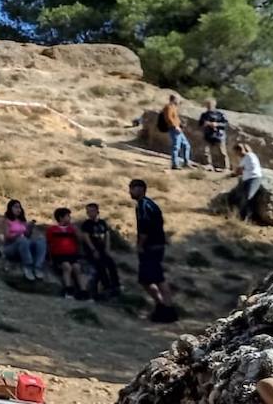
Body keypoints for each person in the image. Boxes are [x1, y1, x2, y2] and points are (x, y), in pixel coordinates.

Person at [129, 179, 177, 323]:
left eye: (132, 188)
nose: (130, 192)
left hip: (151, 247)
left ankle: (168, 309)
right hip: (156, 245)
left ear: (140, 189)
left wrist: (140, 245)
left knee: (158, 279)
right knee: (145, 279)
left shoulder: (144, 206)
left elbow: (145, 228)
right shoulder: (150, 204)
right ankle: (161, 305)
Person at [79, 202, 120, 299]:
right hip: (92, 250)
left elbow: (107, 235)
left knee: (111, 264)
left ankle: (116, 285)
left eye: (92, 211)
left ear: (97, 211)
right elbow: (86, 237)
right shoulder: (86, 224)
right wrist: (93, 250)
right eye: (88, 212)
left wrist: (107, 247)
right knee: (100, 266)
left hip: (102, 249)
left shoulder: (102, 223)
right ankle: (106, 287)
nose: (90, 213)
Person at [46, 208, 88, 300]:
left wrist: (76, 231)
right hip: (59, 255)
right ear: (61, 218)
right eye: (67, 216)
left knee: (77, 268)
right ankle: (68, 290)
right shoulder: (52, 229)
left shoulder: (72, 229)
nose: (69, 218)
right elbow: (49, 244)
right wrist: (50, 258)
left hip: (72, 255)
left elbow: (81, 240)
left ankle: (83, 292)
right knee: (67, 266)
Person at [1, 200, 47, 281]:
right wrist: (18, 235)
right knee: (22, 240)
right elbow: (7, 236)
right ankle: (27, 266)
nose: (18, 209)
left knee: (41, 240)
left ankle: (37, 267)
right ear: (10, 208)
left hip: (24, 246)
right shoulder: (7, 221)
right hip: (10, 247)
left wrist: (30, 227)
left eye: (20, 207)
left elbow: (27, 235)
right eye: (16, 207)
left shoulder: (22, 221)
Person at [229, 142, 263, 222]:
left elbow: (238, 171)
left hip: (254, 178)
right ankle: (242, 217)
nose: (237, 155)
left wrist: (233, 174)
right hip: (247, 179)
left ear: (239, 151)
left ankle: (247, 218)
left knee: (248, 197)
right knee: (242, 197)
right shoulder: (247, 157)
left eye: (236, 153)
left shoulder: (248, 156)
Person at [160, 95, 191, 170]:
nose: (178, 101)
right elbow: (169, 118)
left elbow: (175, 118)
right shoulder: (168, 107)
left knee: (186, 145)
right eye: (177, 99)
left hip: (178, 129)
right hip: (174, 129)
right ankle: (175, 164)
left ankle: (186, 162)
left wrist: (180, 124)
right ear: (174, 99)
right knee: (176, 147)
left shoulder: (174, 107)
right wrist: (175, 126)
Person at [197, 98, 229, 171]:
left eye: (210, 105)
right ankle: (208, 164)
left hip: (219, 135)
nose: (209, 106)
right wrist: (205, 124)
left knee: (222, 152)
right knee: (206, 151)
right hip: (208, 134)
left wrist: (216, 124)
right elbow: (200, 124)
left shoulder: (220, 114)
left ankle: (225, 167)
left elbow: (226, 124)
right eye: (207, 105)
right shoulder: (204, 115)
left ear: (214, 105)